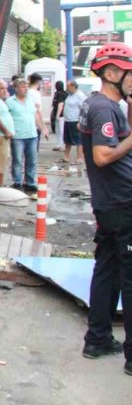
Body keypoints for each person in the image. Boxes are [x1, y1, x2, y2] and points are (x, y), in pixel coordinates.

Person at [77, 42, 132, 372]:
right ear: (111, 73)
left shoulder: (104, 104)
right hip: (124, 203)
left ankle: (97, 339)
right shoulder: (103, 109)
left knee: (108, 269)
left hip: (110, 203)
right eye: (129, 73)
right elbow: (102, 155)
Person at [7, 79, 48, 193]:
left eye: (26, 86)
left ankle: (30, 182)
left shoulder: (30, 100)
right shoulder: (10, 102)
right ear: (16, 88)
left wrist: (42, 128)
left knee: (32, 160)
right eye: (23, 87)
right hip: (18, 136)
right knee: (18, 160)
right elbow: (6, 118)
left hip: (32, 134)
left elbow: (35, 115)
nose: (26, 89)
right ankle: (17, 182)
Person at [61, 80, 85, 165]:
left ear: (73, 86)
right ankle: (66, 156)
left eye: (68, 86)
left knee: (78, 140)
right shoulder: (70, 95)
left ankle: (79, 158)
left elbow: (83, 109)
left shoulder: (80, 96)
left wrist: (80, 121)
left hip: (75, 121)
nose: (67, 88)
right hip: (68, 120)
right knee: (67, 140)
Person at [28, 73, 48, 148]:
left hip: (27, 123)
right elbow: (38, 111)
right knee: (34, 149)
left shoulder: (27, 92)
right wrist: (43, 126)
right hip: (35, 125)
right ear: (39, 82)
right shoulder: (35, 93)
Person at [51, 80, 68, 146]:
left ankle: (62, 144)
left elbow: (60, 104)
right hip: (56, 113)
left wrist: (58, 115)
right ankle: (58, 143)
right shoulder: (57, 93)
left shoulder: (61, 94)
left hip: (61, 115)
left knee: (61, 130)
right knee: (57, 130)